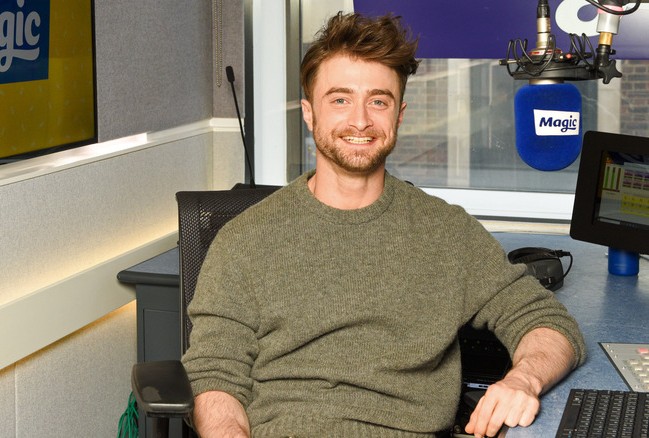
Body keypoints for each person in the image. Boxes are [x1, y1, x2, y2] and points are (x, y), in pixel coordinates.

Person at [181, 11, 586, 438]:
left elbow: (548, 323)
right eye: (339, 100)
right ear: (308, 113)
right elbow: (215, 377)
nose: (360, 120)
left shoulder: (445, 232)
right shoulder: (245, 239)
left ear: (399, 114)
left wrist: (522, 380)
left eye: (378, 101)